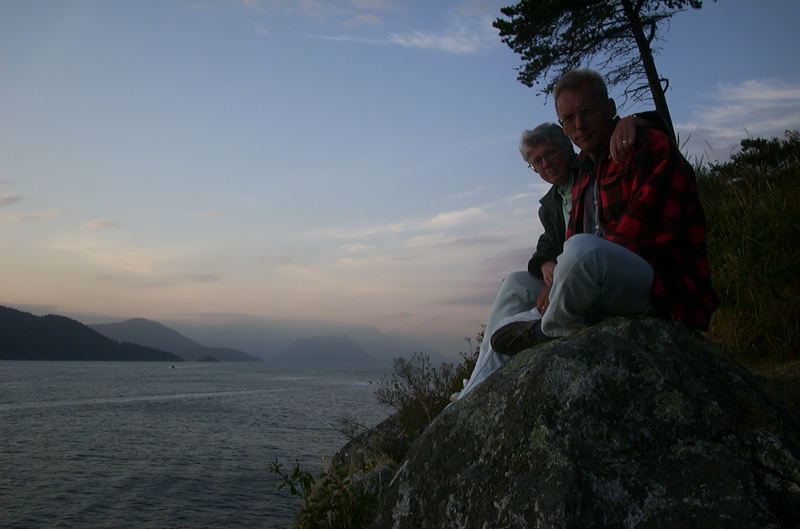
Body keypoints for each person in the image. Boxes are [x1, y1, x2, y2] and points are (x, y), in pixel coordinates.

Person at [490, 69, 718, 355]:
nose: (580, 125)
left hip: (661, 287)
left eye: (587, 112)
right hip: (601, 280)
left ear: (609, 109)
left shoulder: (646, 145)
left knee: (582, 250)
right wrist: (558, 276)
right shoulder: (584, 171)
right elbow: (566, 238)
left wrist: (634, 120)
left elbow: (643, 234)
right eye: (569, 119)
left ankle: (550, 330)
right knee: (515, 288)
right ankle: (474, 394)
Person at [456, 118, 639, 398]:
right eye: (536, 162)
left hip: (605, 272)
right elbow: (546, 246)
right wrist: (545, 264)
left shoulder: (591, 168)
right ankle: (476, 386)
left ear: (566, 146)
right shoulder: (552, 204)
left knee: (578, 248)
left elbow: (605, 135)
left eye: (549, 154)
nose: (545, 165)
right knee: (516, 282)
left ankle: (543, 327)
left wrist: (633, 119)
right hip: (572, 273)